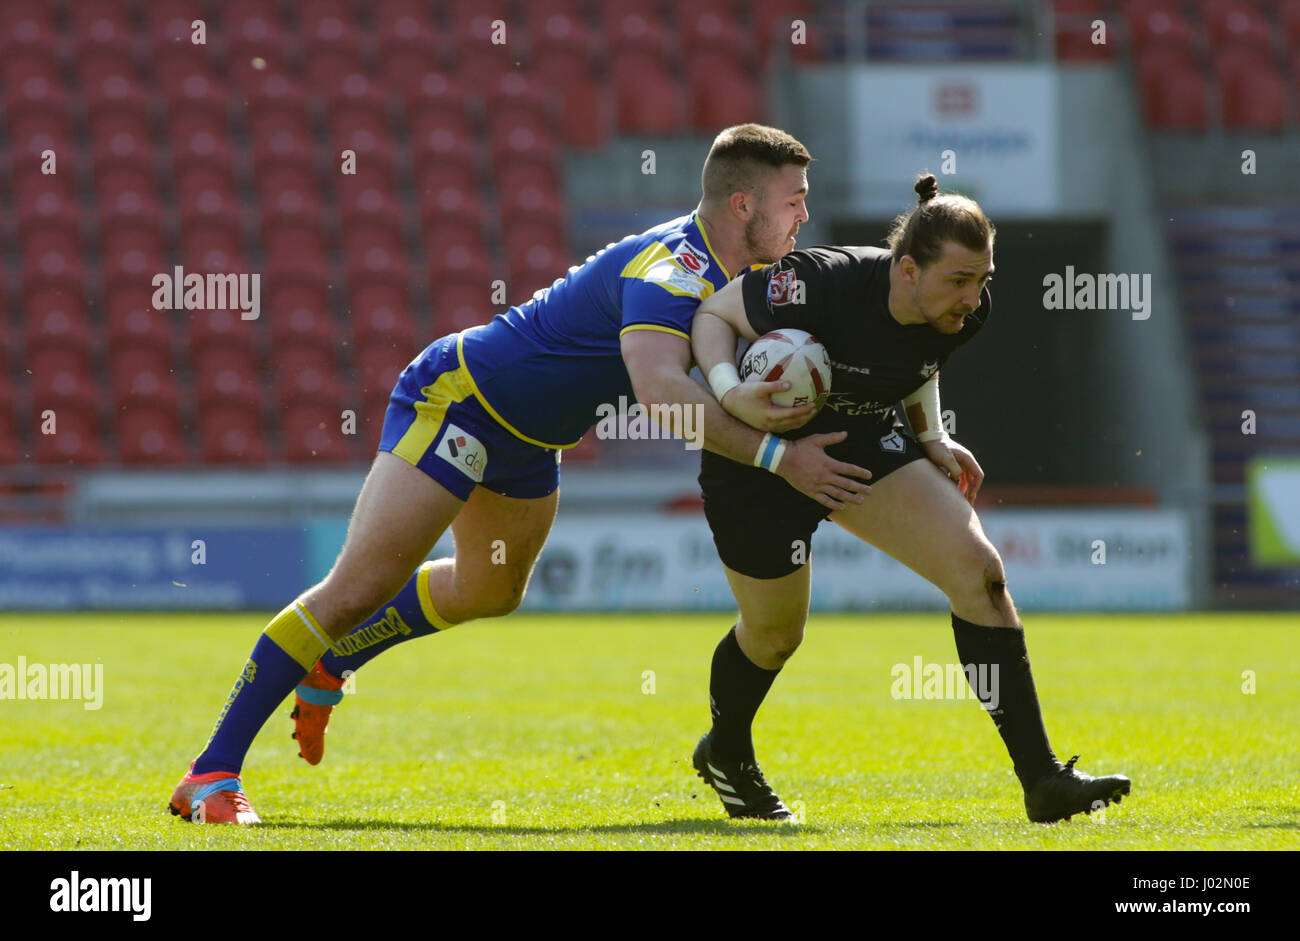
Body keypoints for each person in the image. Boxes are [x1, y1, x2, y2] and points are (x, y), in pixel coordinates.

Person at [167, 124, 877, 823]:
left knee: (492, 588)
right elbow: (662, 394)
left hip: (531, 440)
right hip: (462, 405)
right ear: (744, 206)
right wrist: (778, 458)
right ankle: (211, 773)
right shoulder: (672, 269)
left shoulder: (747, 279)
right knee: (358, 587)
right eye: (794, 199)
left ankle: (337, 656)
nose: (805, 214)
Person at [687, 173, 1131, 824]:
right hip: (759, 459)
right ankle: (726, 749)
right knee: (776, 635)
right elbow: (714, 314)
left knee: (979, 574)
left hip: (860, 443)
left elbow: (919, 358)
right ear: (905, 270)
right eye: (958, 280)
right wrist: (731, 396)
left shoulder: (965, 308)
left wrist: (933, 434)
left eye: (983, 279)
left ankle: (1042, 780)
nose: (973, 296)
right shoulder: (822, 282)